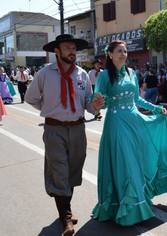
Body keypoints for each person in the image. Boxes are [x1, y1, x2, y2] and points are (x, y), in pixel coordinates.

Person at [91, 40, 167, 226]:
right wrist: (98, 101)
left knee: (139, 160)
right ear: (110, 54)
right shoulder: (104, 76)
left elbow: (137, 98)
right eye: (119, 51)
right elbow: (100, 100)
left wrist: (155, 109)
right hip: (116, 123)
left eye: (125, 51)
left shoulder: (131, 73)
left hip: (134, 120)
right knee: (126, 162)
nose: (123, 54)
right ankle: (128, 205)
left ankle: (139, 199)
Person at [25, 34, 105, 236]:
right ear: (57, 51)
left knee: (72, 173)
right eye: (67, 48)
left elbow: (86, 102)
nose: (72, 51)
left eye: (73, 48)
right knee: (59, 172)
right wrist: (50, 110)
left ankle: (65, 210)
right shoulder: (44, 73)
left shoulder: (82, 75)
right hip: (54, 130)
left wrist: (94, 107)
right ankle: (66, 219)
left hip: (78, 130)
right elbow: (31, 98)